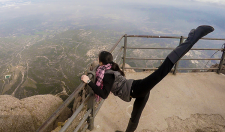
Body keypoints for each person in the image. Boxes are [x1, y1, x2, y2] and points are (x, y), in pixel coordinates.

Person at [81, 25, 214, 132]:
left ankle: (193, 37)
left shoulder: (107, 74)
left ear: (101, 62)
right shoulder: (110, 68)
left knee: (164, 68)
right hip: (138, 90)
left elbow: (104, 94)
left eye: (98, 59)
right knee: (135, 116)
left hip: (137, 89)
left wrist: (88, 81)